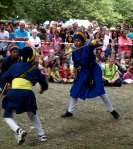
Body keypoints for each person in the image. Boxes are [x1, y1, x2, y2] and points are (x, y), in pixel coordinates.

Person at [61, 32, 120, 119]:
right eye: (75, 41)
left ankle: (112, 110)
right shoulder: (74, 52)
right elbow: (77, 65)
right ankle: (70, 111)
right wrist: (76, 73)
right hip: (83, 72)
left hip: (93, 70)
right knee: (75, 90)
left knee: (100, 91)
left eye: (78, 41)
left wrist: (95, 42)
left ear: (82, 41)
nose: (76, 42)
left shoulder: (88, 46)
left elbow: (97, 44)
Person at [1, 47, 48, 145]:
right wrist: (43, 89)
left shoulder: (14, 66)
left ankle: (18, 131)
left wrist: (9, 83)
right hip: (28, 94)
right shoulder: (35, 69)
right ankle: (42, 135)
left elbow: (3, 77)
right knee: (32, 114)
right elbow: (44, 83)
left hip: (14, 93)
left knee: (7, 115)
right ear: (32, 57)